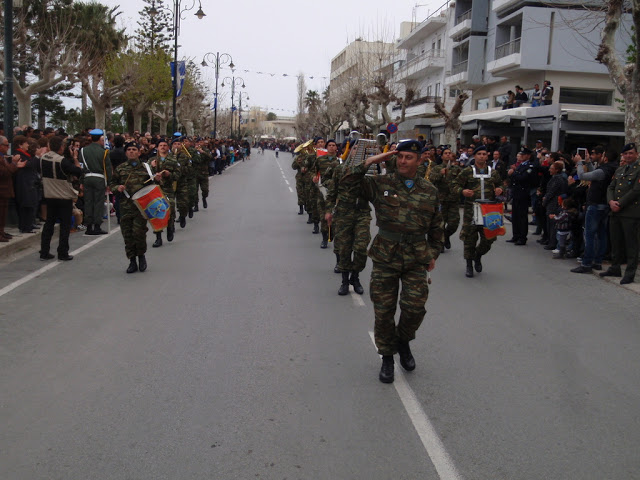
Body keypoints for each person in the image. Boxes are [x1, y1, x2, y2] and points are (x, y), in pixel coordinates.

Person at [341, 140, 443, 384]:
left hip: (417, 257)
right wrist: (370, 161)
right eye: (400, 156)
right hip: (386, 255)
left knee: (415, 308)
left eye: (409, 157)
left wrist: (433, 254)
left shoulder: (429, 190)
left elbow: (436, 227)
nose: (403, 161)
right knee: (384, 311)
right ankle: (387, 356)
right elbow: (345, 183)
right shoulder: (381, 183)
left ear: (420, 160)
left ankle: (403, 341)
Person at [109, 141, 162, 273]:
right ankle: (132, 260)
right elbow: (112, 184)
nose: (131, 151)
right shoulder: (120, 169)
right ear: (126, 152)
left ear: (139, 152)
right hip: (125, 206)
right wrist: (117, 188)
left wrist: (159, 178)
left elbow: (155, 183)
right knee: (127, 235)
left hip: (141, 207)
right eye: (129, 149)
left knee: (139, 233)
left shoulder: (146, 167)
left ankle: (141, 256)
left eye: (134, 149)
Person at [325, 144, 371, 295]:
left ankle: (355, 277)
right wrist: (328, 211)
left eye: (362, 149)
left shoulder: (369, 172)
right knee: (344, 249)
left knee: (361, 248)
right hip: (344, 213)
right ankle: (345, 281)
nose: (358, 151)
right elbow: (332, 192)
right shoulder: (340, 170)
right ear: (350, 152)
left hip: (362, 213)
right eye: (356, 148)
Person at [453, 145, 504, 277]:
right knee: (469, 238)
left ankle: (478, 255)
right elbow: (455, 185)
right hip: (472, 209)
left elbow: (501, 184)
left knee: (489, 238)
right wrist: (462, 191)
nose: (482, 156)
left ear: (487, 156)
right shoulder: (467, 171)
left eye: (484, 154)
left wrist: (500, 189)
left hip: (489, 210)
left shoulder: (493, 172)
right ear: (474, 156)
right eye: (479, 154)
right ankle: (469, 264)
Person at [571, 147, 618, 273]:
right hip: (604, 205)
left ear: (605, 157)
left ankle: (586, 263)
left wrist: (579, 162)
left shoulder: (605, 170)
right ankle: (597, 261)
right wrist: (588, 163)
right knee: (601, 234)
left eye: (602, 155)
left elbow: (582, 175)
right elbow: (595, 176)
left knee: (590, 235)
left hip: (596, 204)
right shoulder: (610, 168)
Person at [601, 143, 640, 284]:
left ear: (636, 154)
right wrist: (611, 201)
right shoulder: (620, 170)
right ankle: (615, 267)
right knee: (615, 242)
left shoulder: (638, 169)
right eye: (626, 154)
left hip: (630, 212)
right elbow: (611, 187)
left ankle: (630, 273)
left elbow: (636, 191)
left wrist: (620, 204)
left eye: (631, 153)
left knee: (631, 245)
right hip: (615, 211)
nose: (628, 156)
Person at [39, 136, 83, 261]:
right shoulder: (62, 161)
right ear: (61, 147)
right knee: (65, 225)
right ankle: (62, 252)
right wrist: (74, 158)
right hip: (63, 195)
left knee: (49, 223)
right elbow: (77, 171)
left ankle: (44, 250)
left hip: (49, 194)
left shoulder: (43, 158)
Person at [147, 138, 180, 247]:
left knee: (170, 209)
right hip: (155, 190)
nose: (163, 147)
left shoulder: (173, 161)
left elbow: (178, 175)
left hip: (168, 189)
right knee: (156, 212)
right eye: (160, 145)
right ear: (157, 147)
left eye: (165, 145)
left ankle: (170, 226)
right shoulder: (152, 160)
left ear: (168, 147)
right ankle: (158, 237)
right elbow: (145, 175)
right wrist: (151, 168)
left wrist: (169, 174)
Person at [429, 147, 462, 250]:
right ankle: (441, 241)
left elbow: (462, 181)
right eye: (446, 153)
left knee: (454, 223)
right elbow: (431, 179)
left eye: (449, 153)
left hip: (453, 200)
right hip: (441, 200)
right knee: (440, 223)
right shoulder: (437, 168)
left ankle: (446, 236)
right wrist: (440, 174)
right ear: (442, 156)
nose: (448, 155)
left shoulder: (456, 169)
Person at [80, 128, 112, 235]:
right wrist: (109, 183)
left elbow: (81, 167)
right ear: (100, 139)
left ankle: (89, 226)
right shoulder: (104, 152)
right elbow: (107, 169)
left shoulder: (83, 150)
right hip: (99, 178)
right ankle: (97, 226)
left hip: (87, 177)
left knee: (88, 202)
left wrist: (81, 181)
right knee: (98, 202)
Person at [508, 147, 537, 245]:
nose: (522, 156)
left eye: (524, 155)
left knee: (522, 216)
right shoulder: (521, 165)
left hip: (523, 193)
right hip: (516, 193)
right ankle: (515, 235)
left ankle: (522, 237)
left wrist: (513, 173)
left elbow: (523, 178)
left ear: (528, 156)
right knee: (515, 215)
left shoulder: (530, 166)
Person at [12, 135, 40, 233]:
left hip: (29, 182)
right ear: (20, 144)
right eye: (26, 143)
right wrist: (36, 157)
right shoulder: (18, 155)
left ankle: (28, 225)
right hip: (24, 183)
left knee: (31, 203)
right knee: (25, 204)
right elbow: (29, 164)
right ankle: (25, 226)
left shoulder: (26, 154)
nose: (28, 145)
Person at [0, 136, 21, 241]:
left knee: (3, 213)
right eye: (6, 145)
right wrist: (13, 163)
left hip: (5, 190)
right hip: (2, 189)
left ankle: (2, 231)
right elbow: (5, 172)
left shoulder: (3, 156)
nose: (8, 147)